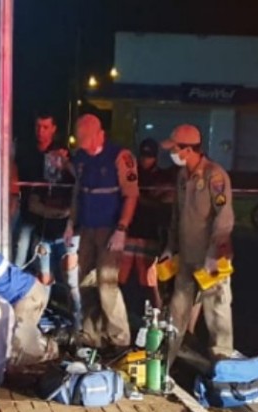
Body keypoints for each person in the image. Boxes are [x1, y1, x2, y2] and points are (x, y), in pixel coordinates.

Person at [65, 113, 139, 356]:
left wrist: (121, 229)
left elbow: (131, 195)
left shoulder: (120, 157)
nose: (84, 144)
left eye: (87, 139)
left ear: (99, 134)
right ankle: (91, 335)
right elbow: (78, 193)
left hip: (110, 230)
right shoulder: (82, 158)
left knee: (107, 285)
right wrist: (70, 223)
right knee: (85, 281)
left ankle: (119, 338)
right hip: (87, 228)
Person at [161, 124, 235, 363]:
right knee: (177, 311)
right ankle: (166, 362)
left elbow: (224, 217)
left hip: (212, 259)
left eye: (174, 149)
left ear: (188, 149)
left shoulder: (214, 175)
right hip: (187, 257)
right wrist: (169, 249)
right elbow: (176, 216)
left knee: (217, 313)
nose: (172, 153)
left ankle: (223, 366)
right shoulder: (183, 177)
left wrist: (215, 251)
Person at [121, 137, 176, 315]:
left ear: (156, 157)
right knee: (120, 278)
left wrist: (141, 199)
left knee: (150, 281)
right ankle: (120, 315)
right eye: (143, 156)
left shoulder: (162, 177)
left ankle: (157, 317)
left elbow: (166, 203)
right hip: (131, 230)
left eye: (149, 156)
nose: (145, 160)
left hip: (151, 233)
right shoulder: (132, 173)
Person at [14, 112, 74, 272]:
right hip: (28, 209)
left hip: (50, 214)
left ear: (53, 129)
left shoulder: (61, 152)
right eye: (38, 126)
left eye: (45, 127)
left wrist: (65, 163)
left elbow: (73, 180)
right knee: (20, 250)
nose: (41, 131)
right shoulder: (26, 150)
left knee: (50, 261)